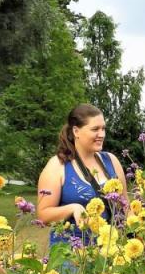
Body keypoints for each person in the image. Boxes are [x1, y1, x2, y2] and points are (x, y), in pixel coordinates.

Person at [36, 104, 128, 245]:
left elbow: (125, 206)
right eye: (95, 129)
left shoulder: (111, 161)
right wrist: (73, 208)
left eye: (103, 129)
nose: (102, 134)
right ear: (76, 131)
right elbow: (43, 215)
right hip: (72, 257)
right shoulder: (58, 165)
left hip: (108, 253)